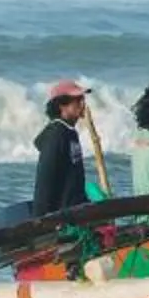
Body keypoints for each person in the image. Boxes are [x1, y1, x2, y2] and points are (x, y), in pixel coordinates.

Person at [30, 80, 93, 219]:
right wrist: (41, 223)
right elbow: (45, 183)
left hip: (74, 214)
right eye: (77, 100)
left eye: (83, 99)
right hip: (62, 219)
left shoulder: (70, 132)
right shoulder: (56, 135)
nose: (83, 104)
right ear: (61, 105)